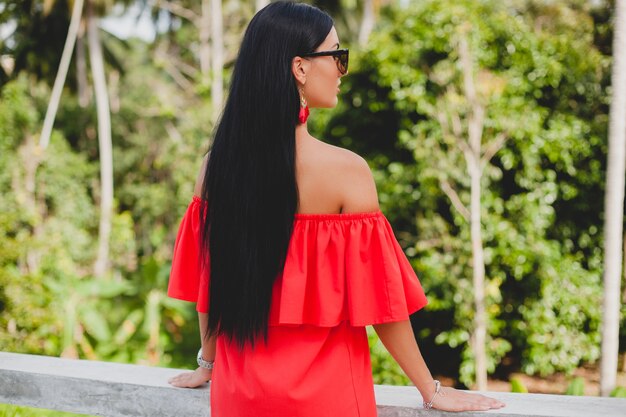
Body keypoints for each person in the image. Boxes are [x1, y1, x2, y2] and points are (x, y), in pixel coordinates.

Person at [166, 2, 505, 416]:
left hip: (240, 396)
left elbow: (212, 286)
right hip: (327, 398)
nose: (342, 70)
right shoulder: (347, 172)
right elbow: (383, 304)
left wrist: (208, 362)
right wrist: (431, 390)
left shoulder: (215, 169)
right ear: (300, 68)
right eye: (337, 55)